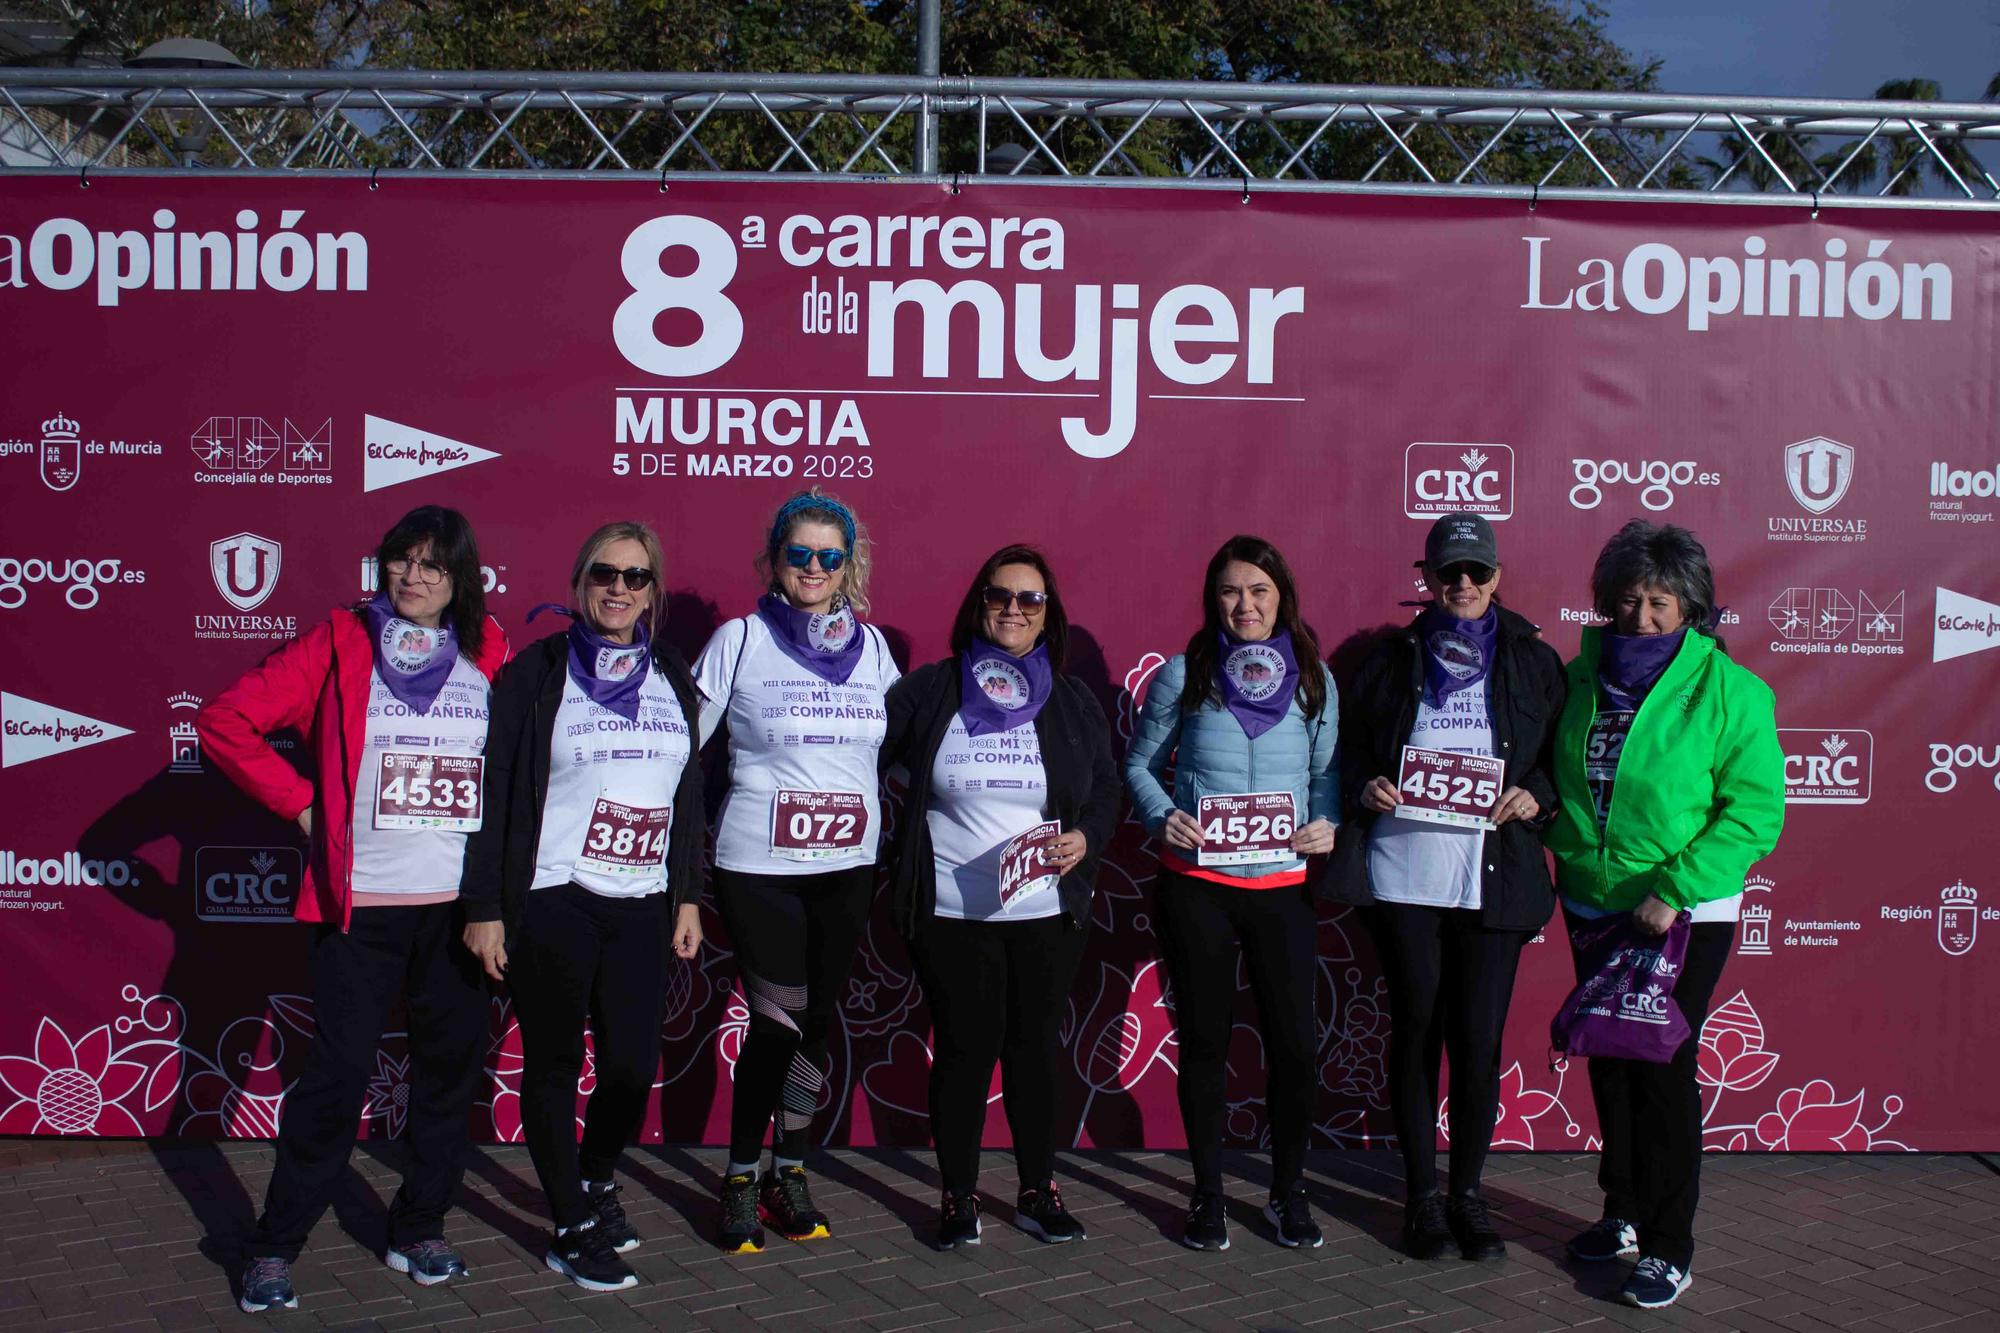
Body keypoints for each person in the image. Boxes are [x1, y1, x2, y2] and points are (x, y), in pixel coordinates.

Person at [197, 506, 508, 1314]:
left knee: (447, 1079)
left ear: (460, 579)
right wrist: (302, 804)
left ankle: (420, 1225)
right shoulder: (339, 641)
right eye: (401, 560)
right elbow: (224, 722)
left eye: (433, 565)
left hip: (455, 909)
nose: (413, 576)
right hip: (358, 909)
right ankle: (274, 1244)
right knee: (334, 1081)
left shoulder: (489, 651)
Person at [460, 522, 706, 1293]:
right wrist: (486, 905)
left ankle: (596, 1180)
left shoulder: (671, 674)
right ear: (580, 580)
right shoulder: (537, 672)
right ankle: (568, 1224)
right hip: (553, 894)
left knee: (632, 1068)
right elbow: (494, 793)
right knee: (557, 1063)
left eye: (636, 577)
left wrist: (688, 893)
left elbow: (689, 795)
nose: (619, 588)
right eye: (605, 572)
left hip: (640, 901)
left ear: (652, 592)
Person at [1545, 520, 1783, 1310]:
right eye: (1628, 599)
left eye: (1660, 601)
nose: (1641, 616)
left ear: (1692, 607)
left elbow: (1752, 814)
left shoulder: (1734, 691)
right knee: (1612, 1062)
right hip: (1594, 900)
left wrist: (1674, 888)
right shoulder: (1580, 677)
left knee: (1661, 1069)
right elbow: (1567, 783)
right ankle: (1622, 1209)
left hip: (1685, 912)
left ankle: (1670, 1243)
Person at [1324, 513, 1565, 1261]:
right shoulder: (1385, 659)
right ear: (1424, 578)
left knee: (1479, 1044)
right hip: (1406, 873)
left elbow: (1563, 752)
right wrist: (1365, 782)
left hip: (1493, 880)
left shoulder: (1534, 661)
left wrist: (1538, 794)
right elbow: (1347, 748)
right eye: (1447, 572)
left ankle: (1469, 1195)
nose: (1462, 584)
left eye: (1476, 572)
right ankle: (1422, 1197)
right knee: (1418, 1035)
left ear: (1498, 577)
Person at [879, 545, 1118, 1250]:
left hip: (1045, 911)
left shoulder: (1070, 700)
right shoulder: (931, 690)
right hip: (951, 910)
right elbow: (863, 751)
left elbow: (1104, 785)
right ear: (978, 604)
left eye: (1030, 599)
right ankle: (957, 1196)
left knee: (1033, 1051)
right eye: (1000, 595)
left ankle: (1038, 1190)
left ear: (1048, 617)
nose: (1014, 608)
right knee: (963, 1050)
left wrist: (1085, 838)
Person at [691, 489, 901, 1252]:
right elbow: (678, 747)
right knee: (776, 1027)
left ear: (849, 566)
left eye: (829, 556)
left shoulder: (874, 649)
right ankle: (741, 1175)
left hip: (847, 865)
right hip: (760, 864)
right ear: (775, 560)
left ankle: (791, 1167)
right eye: (799, 554)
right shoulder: (740, 640)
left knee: (816, 1027)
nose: (814, 568)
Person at [1124, 535, 1339, 1252]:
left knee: (1296, 1048)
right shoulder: (1184, 673)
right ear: (1212, 598)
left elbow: (1326, 777)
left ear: (1282, 596)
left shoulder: (1315, 677)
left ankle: (1288, 1192)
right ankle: (1208, 1194)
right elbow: (1140, 765)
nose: (1244, 605)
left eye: (1258, 590)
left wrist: (1326, 822)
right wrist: (1163, 816)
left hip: (1282, 888)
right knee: (1206, 1045)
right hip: (1199, 888)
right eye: (1229, 591)